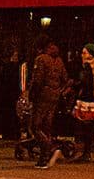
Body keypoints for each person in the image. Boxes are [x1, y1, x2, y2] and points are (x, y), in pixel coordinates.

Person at [27, 38, 70, 169]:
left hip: (42, 97)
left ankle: (48, 148)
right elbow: (65, 79)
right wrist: (58, 91)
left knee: (35, 126)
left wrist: (31, 94)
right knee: (47, 126)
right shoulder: (59, 60)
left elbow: (37, 80)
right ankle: (43, 159)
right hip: (54, 97)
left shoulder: (41, 59)